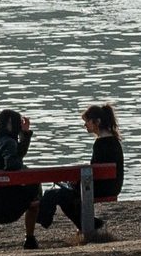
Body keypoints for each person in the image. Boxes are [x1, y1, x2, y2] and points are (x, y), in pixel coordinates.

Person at [30, 104, 120, 243]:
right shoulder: (114, 141)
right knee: (63, 195)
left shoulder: (101, 143)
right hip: (112, 186)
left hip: (99, 188)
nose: (85, 125)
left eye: (87, 121)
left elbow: (94, 172)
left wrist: (78, 182)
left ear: (97, 121)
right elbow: (97, 171)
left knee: (55, 193)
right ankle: (91, 224)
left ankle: (43, 219)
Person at [0, 110, 37, 245]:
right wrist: (24, 169)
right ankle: (30, 238)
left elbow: (16, 155)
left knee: (33, 188)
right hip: (5, 201)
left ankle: (31, 236)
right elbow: (12, 164)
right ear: (11, 124)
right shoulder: (9, 142)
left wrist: (25, 134)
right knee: (35, 186)